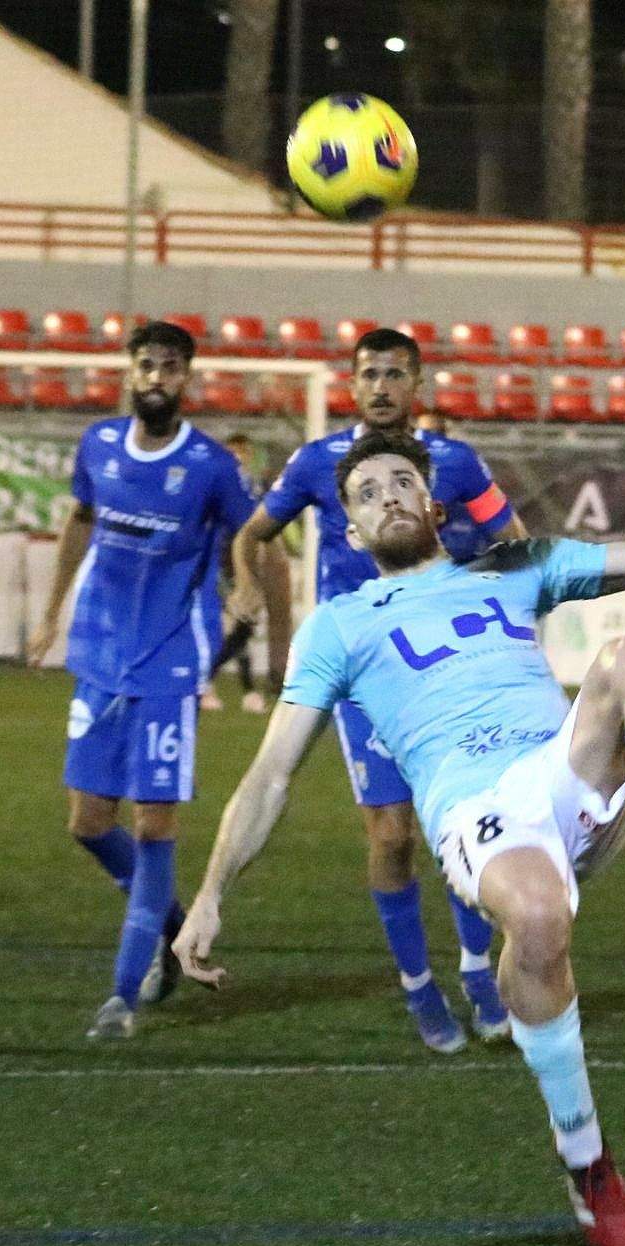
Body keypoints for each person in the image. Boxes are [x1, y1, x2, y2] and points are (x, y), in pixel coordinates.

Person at [174, 429, 625, 1246]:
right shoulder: (337, 627)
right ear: (348, 532)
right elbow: (270, 776)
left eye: (402, 481)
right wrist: (213, 891)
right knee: (538, 916)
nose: (389, 498)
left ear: (435, 505)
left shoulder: (510, 568)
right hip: (476, 809)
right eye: (367, 493)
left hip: (560, 771)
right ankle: (589, 1166)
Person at [227, 328, 527, 1052]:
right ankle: (419, 986)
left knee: (464, 823)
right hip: (365, 678)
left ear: (417, 385)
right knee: (392, 836)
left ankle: (481, 974)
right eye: (370, 374)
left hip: (443, 674)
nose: (383, 386)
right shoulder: (316, 462)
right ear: (353, 384)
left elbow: (514, 540)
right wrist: (243, 579)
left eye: (396, 373)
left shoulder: (453, 463)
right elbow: (252, 534)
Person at [26, 320, 278, 1040]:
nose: (156, 378)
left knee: (153, 823)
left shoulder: (209, 466)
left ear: (188, 379)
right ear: (128, 373)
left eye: (170, 367)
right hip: (101, 655)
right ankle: (168, 923)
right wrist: (52, 615)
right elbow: (80, 519)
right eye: (146, 365)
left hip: (171, 660)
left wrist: (249, 587)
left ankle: (122, 995)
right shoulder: (99, 446)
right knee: (88, 822)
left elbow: (253, 534)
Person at [200, 432, 286, 715]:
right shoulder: (218, 485)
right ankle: (217, 685)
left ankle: (214, 684)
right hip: (220, 565)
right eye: (233, 451)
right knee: (239, 625)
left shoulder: (257, 488)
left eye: (243, 451)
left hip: (247, 567)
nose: (239, 456)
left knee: (244, 628)